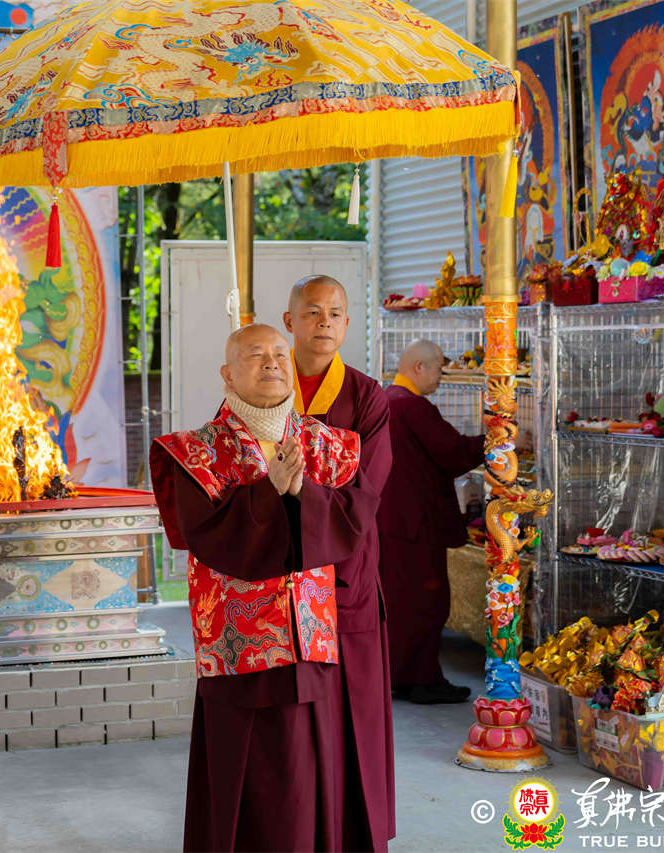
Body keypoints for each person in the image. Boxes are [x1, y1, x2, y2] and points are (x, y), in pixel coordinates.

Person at [150, 323, 365, 852]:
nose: (271, 362)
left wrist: (304, 493)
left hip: (310, 636)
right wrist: (269, 492)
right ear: (227, 374)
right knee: (246, 773)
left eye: (279, 354)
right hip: (238, 645)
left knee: (308, 769)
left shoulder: (326, 444)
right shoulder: (196, 451)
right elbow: (207, 536)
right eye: (254, 354)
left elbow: (355, 521)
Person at [283, 275, 394, 852]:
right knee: (290, 714)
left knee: (353, 707)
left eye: (334, 313)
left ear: (348, 324)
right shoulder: (265, 383)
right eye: (312, 311)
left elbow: (367, 489)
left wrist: (299, 493)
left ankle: (353, 833)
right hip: (277, 571)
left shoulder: (367, 397)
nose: (323, 321)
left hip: (345, 570)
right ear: (289, 321)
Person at [377, 339, 484, 704]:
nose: (442, 375)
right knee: (427, 602)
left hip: (391, 519)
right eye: (439, 368)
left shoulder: (386, 400)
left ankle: (402, 675)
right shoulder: (412, 406)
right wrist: (496, 441)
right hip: (416, 522)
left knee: (401, 603)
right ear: (419, 368)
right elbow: (453, 453)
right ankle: (422, 680)